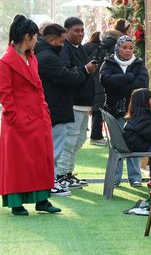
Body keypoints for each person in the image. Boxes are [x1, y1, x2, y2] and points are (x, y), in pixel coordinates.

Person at [0, 14, 61, 215]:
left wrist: (44, 108)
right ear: (26, 37)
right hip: (17, 121)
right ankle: (16, 203)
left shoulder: (31, 57)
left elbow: (38, 85)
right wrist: (15, 117)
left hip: (37, 117)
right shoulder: (6, 61)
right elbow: (5, 94)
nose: (37, 40)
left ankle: (42, 200)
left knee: (41, 159)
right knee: (17, 163)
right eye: (35, 37)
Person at [35, 23, 91, 196]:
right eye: (61, 41)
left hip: (57, 107)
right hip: (56, 108)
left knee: (58, 147)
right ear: (52, 39)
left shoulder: (46, 54)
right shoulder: (47, 57)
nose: (62, 45)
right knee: (55, 148)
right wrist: (84, 71)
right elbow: (67, 78)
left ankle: (51, 181)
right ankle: (50, 182)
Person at [100, 35, 148, 187]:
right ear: (118, 48)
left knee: (134, 142)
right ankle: (115, 177)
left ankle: (135, 177)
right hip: (115, 110)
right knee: (117, 144)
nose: (128, 51)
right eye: (124, 47)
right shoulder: (109, 62)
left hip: (135, 111)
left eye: (130, 48)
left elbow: (142, 83)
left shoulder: (139, 63)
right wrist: (129, 77)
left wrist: (120, 82)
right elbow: (105, 80)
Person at [58, 17, 97, 188]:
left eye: (82, 30)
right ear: (66, 32)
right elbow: (66, 73)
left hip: (83, 103)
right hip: (73, 103)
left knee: (79, 139)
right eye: (76, 30)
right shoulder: (64, 49)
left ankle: (67, 172)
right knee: (70, 140)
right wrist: (85, 69)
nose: (80, 33)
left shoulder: (79, 48)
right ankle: (61, 174)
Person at [122, 88, 151, 153]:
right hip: (138, 145)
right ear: (145, 102)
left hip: (138, 143)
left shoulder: (138, 114)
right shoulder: (141, 116)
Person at [83, 31, 106, 146]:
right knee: (98, 110)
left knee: (93, 108)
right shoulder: (101, 49)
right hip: (98, 81)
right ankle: (96, 136)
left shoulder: (86, 47)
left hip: (88, 79)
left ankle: (93, 134)